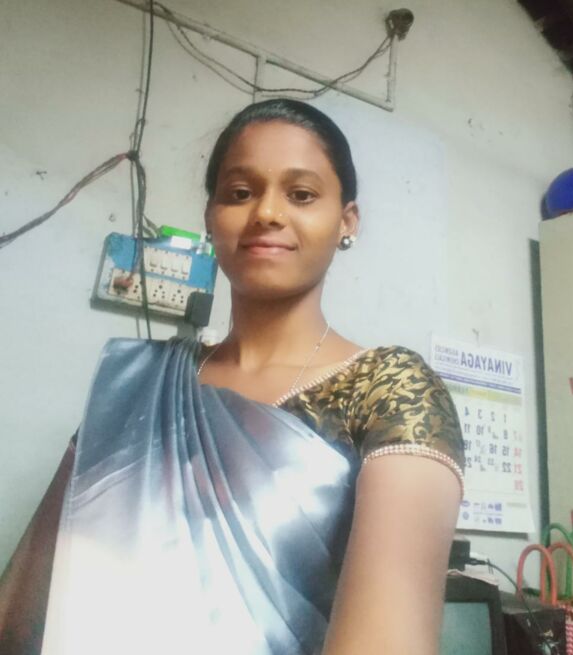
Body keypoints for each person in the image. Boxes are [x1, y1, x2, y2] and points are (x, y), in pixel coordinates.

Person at [0, 98, 464, 655]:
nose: (266, 212)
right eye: (240, 192)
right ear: (209, 217)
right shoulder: (136, 383)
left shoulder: (390, 389)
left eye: (301, 194)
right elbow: (23, 604)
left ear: (347, 221)